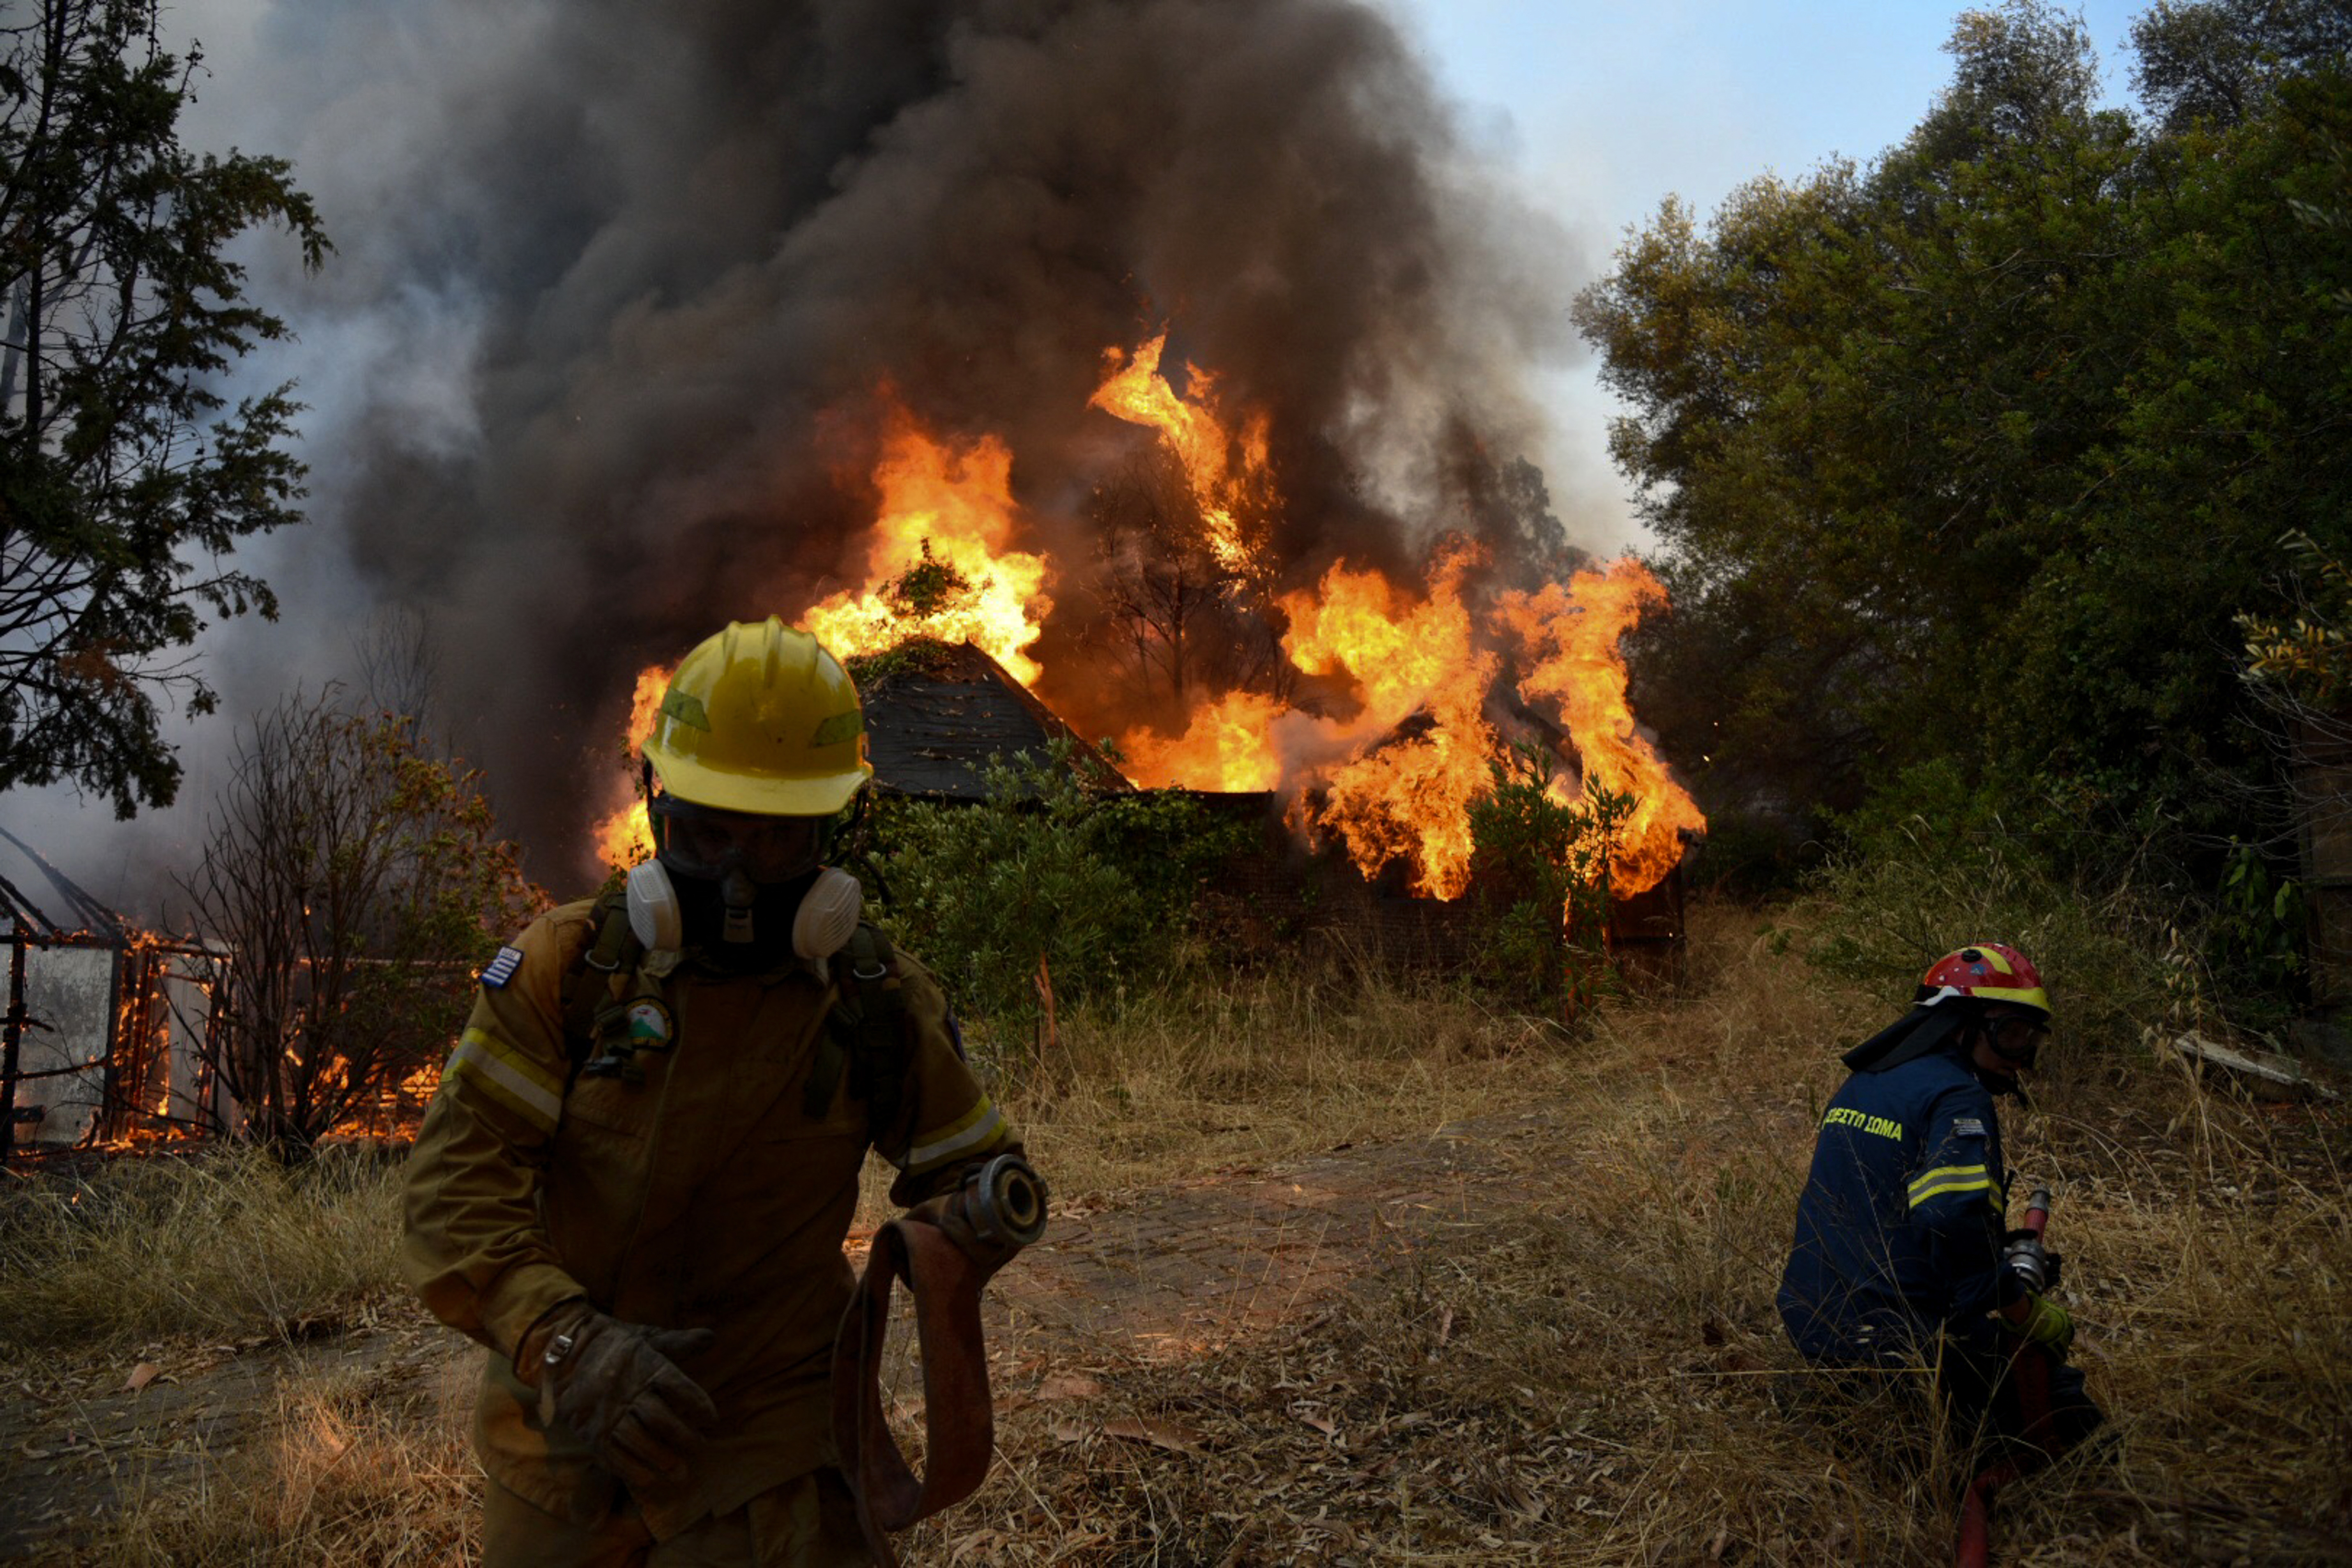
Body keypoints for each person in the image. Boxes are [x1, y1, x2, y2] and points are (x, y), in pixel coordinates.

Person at [402, 618, 1040, 1567]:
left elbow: (970, 1167)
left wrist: (983, 1209)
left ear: (835, 831)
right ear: (659, 811)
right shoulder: (566, 972)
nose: (738, 881)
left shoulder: (875, 998)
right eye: (709, 834)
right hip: (566, 1456)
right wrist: (566, 1341)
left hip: (772, 1464)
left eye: (778, 842)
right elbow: (455, 1191)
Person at [1777, 942, 2102, 1459]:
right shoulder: (1957, 1096)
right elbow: (1952, 1219)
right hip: (1896, 1342)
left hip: (1810, 1319)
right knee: (2069, 1412)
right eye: (2010, 1033)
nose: (2021, 1057)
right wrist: (2022, 1311)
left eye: (2030, 1039)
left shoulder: (1866, 1081)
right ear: (1958, 1024)